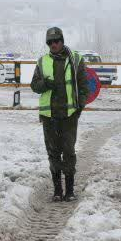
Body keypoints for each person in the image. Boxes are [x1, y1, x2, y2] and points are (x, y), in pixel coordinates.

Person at [30, 26, 90, 201]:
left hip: (69, 115)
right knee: (53, 153)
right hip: (49, 116)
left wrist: (80, 106)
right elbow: (34, 86)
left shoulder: (76, 60)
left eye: (56, 41)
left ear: (62, 41)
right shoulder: (42, 62)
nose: (53, 44)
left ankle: (69, 190)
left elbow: (84, 86)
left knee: (69, 152)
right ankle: (57, 190)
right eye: (50, 42)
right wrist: (45, 84)